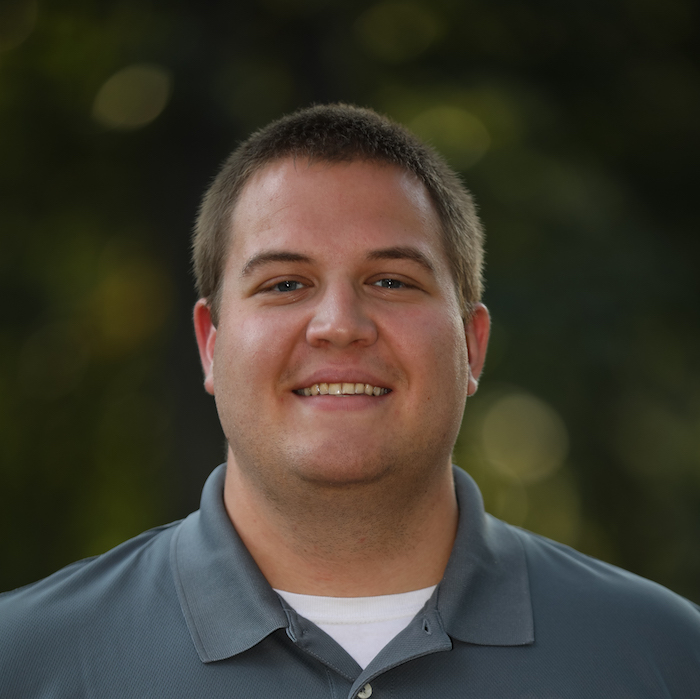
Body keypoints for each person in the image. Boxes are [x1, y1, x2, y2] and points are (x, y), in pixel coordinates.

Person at [2, 104, 699, 698]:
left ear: (473, 345)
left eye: (392, 281)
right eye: (284, 284)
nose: (339, 324)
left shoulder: (665, 660)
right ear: (211, 344)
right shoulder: (27, 664)